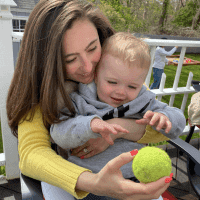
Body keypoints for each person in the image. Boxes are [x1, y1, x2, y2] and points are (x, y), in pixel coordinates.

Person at [6, 0, 174, 200]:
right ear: (47, 62)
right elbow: (31, 153)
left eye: (93, 48)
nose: (88, 67)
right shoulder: (39, 90)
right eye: (70, 59)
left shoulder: (117, 72)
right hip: (77, 181)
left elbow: (161, 130)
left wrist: (114, 128)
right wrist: (94, 183)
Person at [46, 32, 186, 200]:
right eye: (112, 82)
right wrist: (90, 125)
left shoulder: (143, 101)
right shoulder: (79, 102)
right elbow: (57, 132)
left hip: (137, 179)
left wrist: (165, 117)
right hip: (91, 182)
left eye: (132, 86)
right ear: (96, 76)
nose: (121, 92)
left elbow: (179, 119)